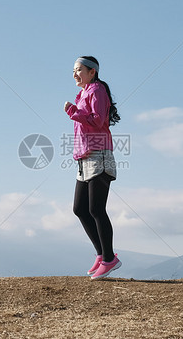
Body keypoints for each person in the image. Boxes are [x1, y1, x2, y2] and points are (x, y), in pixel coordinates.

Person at [64, 56, 122, 280]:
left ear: (92, 72)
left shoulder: (97, 90)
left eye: (79, 70)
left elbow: (98, 121)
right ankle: (102, 255)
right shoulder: (83, 93)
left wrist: (72, 112)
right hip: (84, 158)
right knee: (80, 208)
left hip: (99, 154)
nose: (75, 74)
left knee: (97, 209)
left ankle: (109, 259)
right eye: (73, 70)